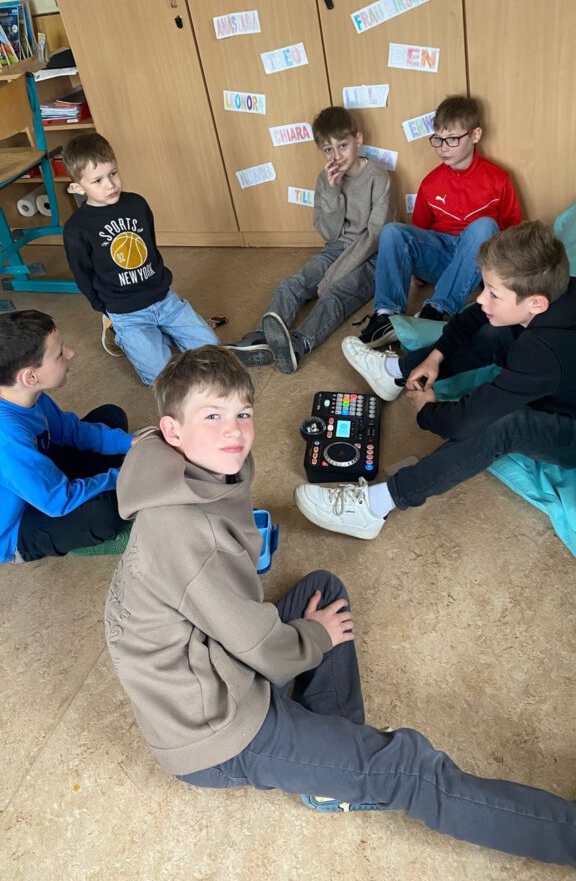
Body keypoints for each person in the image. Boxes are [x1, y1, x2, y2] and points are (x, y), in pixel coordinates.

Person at [104, 345, 576, 867]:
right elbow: (259, 644)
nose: (234, 431)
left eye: (243, 413)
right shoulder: (189, 535)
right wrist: (314, 638)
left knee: (322, 591)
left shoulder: (176, 469)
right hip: (217, 731)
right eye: (212, 416)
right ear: (173, 431)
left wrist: (303, 635)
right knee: (408, 768)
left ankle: (333, 774)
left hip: (206, 671)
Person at [296, 221, 576, 541]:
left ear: (537, 302)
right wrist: (436, 355)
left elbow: (465, 423)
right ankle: (395, 372)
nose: (482, 299)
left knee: (505, 427)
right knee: (496, 328)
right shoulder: (557, 288)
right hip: (558, 376)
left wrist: (428, 411)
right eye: (485, 287)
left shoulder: (543, 351)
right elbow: (475, 315)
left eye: (494, 294)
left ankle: (374, 507)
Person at [227, 106, 396, 373]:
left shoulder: (378, 177)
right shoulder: (324, 179)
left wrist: (333, 275)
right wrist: (332, 190)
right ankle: (264, 338)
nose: (336, 156)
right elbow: (330, 234)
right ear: (320, 150)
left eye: (343, 146)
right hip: (336, 248)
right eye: (328, 150)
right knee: (292, 284)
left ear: (358, 139)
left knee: (335, 295)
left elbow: (375, 237)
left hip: (371, 256)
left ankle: (298, 344)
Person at [356, 95, 522, 348]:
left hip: (479, 262)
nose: (443, 147)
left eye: (452, 139)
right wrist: (414, 269)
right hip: (441, 256)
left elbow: (514, 230)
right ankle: (386, 316)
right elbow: (418, 232)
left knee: (485, 226)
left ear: (475, 135)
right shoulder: (431, 182)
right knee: (392, 231)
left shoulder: (499, 178)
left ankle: (436, 311)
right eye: (438, 139)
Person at [62, 133, 218, 385]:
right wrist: (104, 307)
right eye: (98, 180)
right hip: (126, 312)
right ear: (78, 188)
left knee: (214, 351)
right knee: (159, 377)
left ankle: (160, 334)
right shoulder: (76, 228)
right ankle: (117, 331)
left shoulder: (137, 203)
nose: (110, 185)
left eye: (113, 173)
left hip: (165, 300)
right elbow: (82, 273)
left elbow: (150, 245)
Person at [0, 310, 133, 564]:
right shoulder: (7, 440)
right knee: (103, 515)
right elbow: (58, 500)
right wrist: (124, 475)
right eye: (60, 353)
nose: (70, 353)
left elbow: (69, 431)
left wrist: (130, 442)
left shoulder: (27, 395)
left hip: (39, 473)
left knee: (111, 416)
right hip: (17, 523)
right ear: (30, 377)